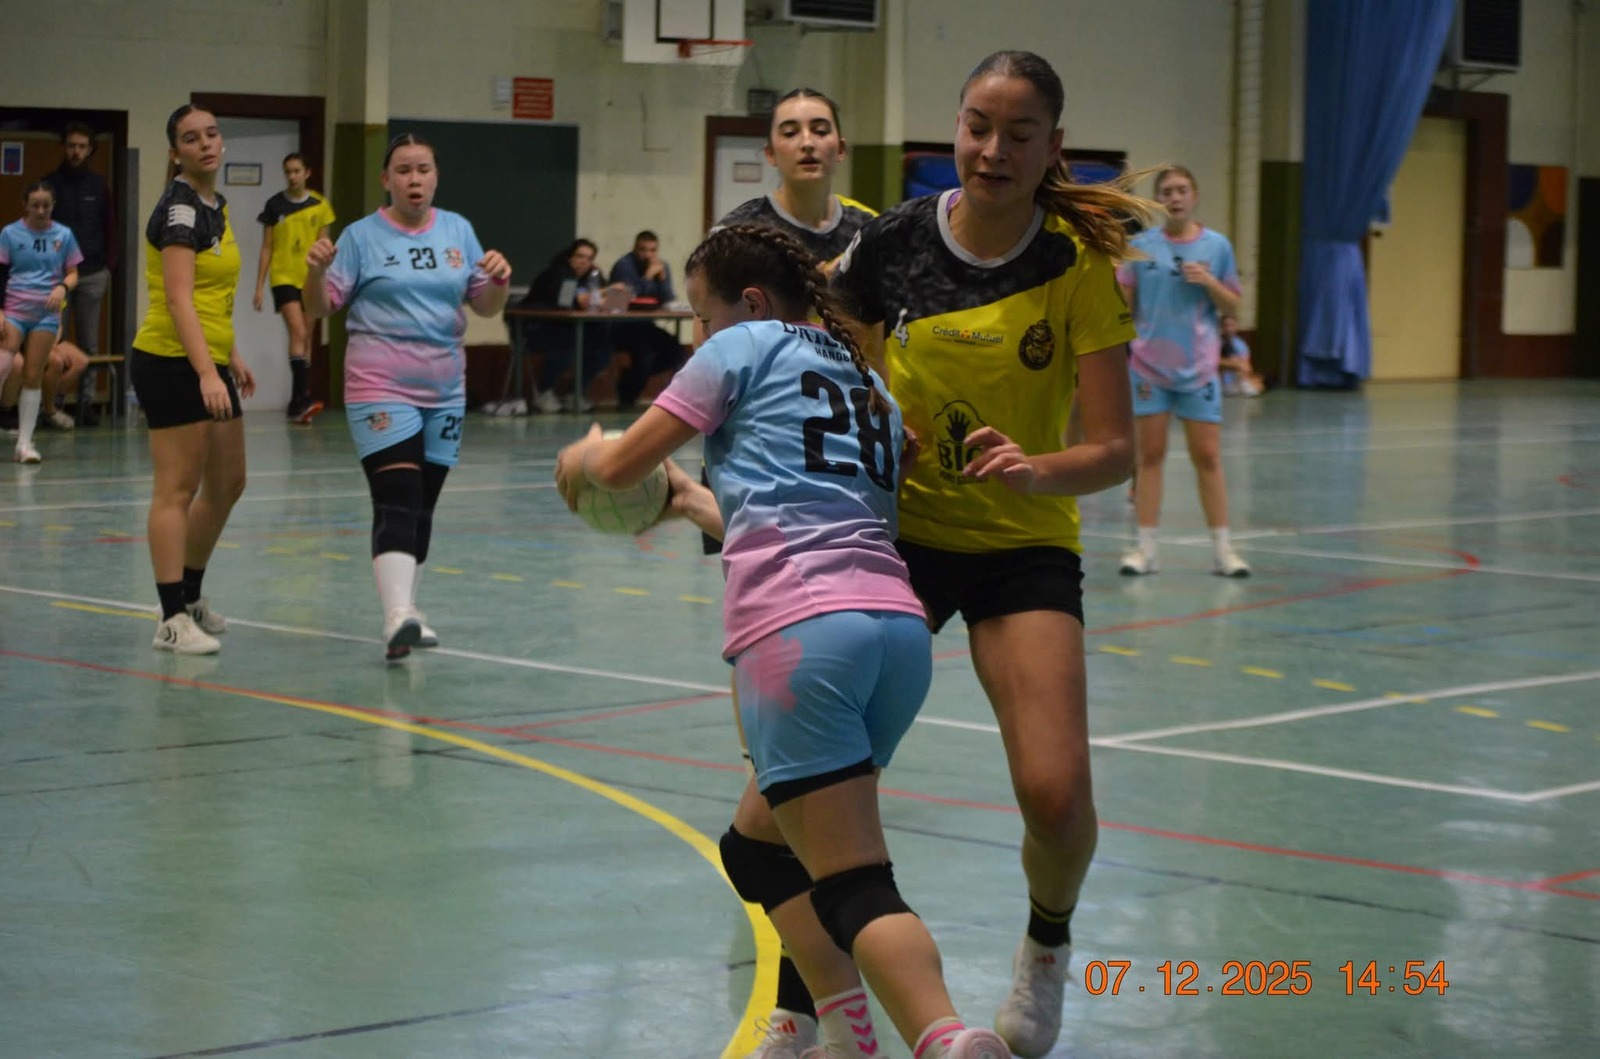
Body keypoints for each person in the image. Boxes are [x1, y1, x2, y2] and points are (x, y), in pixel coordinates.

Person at [555, 222, 1012, 1059]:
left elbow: (618, 470)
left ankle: (944, 1037)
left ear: (753, 302)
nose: (699, 334)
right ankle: (844, 1027)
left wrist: (583, 457)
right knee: (758, 846)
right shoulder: (870, 384)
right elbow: (809, 506)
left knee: (854, 879)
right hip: (897, 632)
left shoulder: (744, 346)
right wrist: (690, 501)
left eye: (702, 315)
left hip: (801, 633)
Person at [830, 50, 1154, 1057]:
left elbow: (1115, 451)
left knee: (1055, 797)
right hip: (896, 540)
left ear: (1054, 146)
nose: (992, 150)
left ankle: (1046, 944)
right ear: (955, 127)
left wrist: (1034, 470)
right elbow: (831, 370)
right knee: (810, 781)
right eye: (978, 126)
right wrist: (875, 424)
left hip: (1022, 544)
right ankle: (816, 1000)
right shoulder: (890, 245)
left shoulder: (1075, 264)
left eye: (1019, 134)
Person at [708, 86, 890, 1055]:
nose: (808, 140)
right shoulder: (742, 235)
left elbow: (886, 355)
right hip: (768, 523)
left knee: (805, 796)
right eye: (790, 129)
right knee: (781, 790)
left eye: (821, 126)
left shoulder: (873, 236)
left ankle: (804, 1005)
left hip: (854, 518)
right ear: (770, 151)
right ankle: (810, 996)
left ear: (840, 143)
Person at [303, 133, 511, 660]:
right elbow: (320, 307)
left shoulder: (458, 230)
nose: (414, 179)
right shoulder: (359, 237)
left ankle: (409, 611)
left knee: (423, 505)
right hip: (379, 385)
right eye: (403, 170)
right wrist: (315, 272)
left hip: (445, 389)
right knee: (397, 495)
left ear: (436, 177)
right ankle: (396, 614)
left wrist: (500, 281)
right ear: (386, 179)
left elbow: (485, 306)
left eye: (423, 169)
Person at [129, 105, 256, 654]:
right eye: (190, 138)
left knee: (228, 483)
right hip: (170, 360)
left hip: (209, 358)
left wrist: (232, 355)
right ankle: (170, 619)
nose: (205, 144)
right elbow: (179, 298)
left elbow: (211, 295)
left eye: (211, 134)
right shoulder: (179, 210)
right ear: (174, 152)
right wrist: (207, 371)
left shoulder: (214, 204)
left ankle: (191, 594)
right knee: (176, 489)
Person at [1115, 165, 1249, 578]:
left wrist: (1209, 282)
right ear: (1157, 200)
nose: (1175, 198)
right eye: (1167, 191)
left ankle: (1223, 551)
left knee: (1207, 456)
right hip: (1148, 369)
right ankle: (1145, 550)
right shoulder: (1140, 248)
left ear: (1195, 195)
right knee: (1150, 456)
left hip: (1200, 370)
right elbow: (1123, 309)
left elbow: (1233, 305)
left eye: (1182, 190)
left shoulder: (1217, 247)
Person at [1, 181, 82, 463]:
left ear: (53, 205)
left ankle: (24, 444)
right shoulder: (10, 233)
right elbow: (0, 273)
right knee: (4, 363)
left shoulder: (64, 235)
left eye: (46, 205)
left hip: (46, 313)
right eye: (35, 205)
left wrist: (62, 287)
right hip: (14, 309)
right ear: (25, 205)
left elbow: (73, 272)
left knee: (33, 375)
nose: (40, 210)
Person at [253, 152, 336, 423]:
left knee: (306, 338)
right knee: (298, 331)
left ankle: (298, 401)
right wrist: (259, 286)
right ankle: (301, 401)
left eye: (296, 171)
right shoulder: (274, 205)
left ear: (307, 173)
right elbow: (267, 248)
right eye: (288, 171)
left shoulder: (320, 205)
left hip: (310, 278)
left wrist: (326, 280)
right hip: (283, 277)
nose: (292, 176)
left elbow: (324, 247)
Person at [513, 239, 615, 413]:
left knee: (601, 347)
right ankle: (544, 392)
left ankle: (575, 392)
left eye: (589, 258)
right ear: (570, 257)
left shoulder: (590, 276)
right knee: (567, 344)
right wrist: (606, 291)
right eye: (580, 256)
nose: (583, 262)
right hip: (536, 327)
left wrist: (603, 288)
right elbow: (570, 301)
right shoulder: (559, 273)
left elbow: (596, 301)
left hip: (567, 327)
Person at [46, 123, 117, 370]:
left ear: (89, 150)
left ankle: (88, 395)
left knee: (89, 345)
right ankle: (56, 394)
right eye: (72, 146)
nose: (76, 151)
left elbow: (110, 226)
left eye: (82, 146)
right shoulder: (49, 184)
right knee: (55, 342)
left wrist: (109, 265)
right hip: (58, 276)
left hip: (93, 272)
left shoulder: (98, 185)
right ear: (64, 147)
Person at [607, 230, 686, 409]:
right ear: (635, 249)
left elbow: (668, 299)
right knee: (644, 355)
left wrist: (662, 279)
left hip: (645, 324)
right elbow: (624, 298)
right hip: (621, 326)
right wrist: (648, 277)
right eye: (643, 250)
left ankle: (631, 378)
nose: (648, 255)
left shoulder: (661, 266)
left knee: (676, 351)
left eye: (652, 250)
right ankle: (627, 398)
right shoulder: (623, 266)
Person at [2, 338, 89, 432]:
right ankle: (7, 412)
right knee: (56, 361)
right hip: (21, 340)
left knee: (81, 361)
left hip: (45, 339)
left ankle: (45, 406)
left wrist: (53, 345)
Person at [1218, 314, 1264, 396]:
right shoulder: (1216, 343)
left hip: (1236, 381)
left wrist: (1228, 363)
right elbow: (1213, 363)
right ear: (1221, 327)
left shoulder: (1241, 345)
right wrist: (1233, 363)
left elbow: (1245, 367)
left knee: (1255, 388)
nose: (1229, 329)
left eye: (1231, 325)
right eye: (1226, 325)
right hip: (1220, 380)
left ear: (1236, 327)